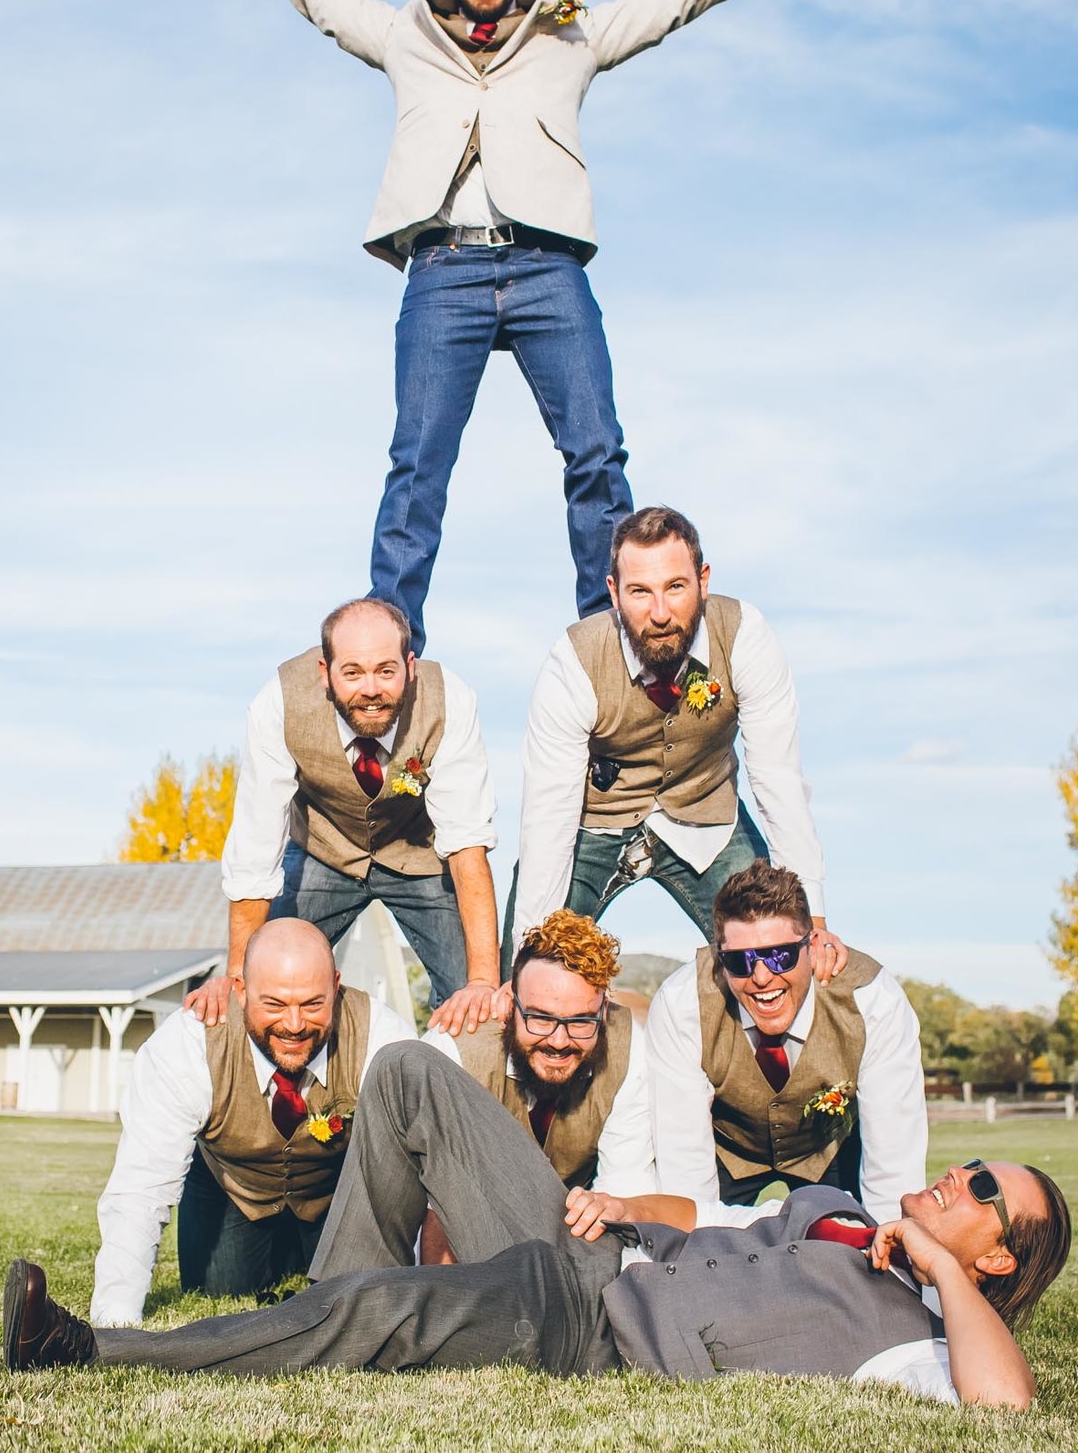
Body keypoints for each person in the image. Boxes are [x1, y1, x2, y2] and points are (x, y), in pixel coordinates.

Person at [222, 0, 817, 653]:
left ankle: (613, 642)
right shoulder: (406, 36)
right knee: (417, 464)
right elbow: (324, 2)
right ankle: (388, 646)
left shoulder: (568, 35)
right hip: (444, 271)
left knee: (596, 451)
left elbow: (668, 4)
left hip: (547, 270)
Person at [8, 1042, 1069, 1408]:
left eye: (983, 1192)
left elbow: (1006, 1402)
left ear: (1000, 1255)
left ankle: (84, 1348)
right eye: (970, 1167)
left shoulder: (919, 1335)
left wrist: (936, 1266)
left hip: (596, 1326)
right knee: (410, 1073)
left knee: (387, 1312)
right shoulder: (834, 1211)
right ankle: (316, 1309)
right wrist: (620, 1206)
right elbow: (705, 1213)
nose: (956, 1179)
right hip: (602, 1251)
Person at [513, 505, 838, 956]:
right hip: (596, 823)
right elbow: (547, 815)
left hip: (709, 814)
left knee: (781, 950)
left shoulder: (746, 636)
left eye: (676, 587)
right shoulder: (572, 661)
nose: (660, 613)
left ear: (703, 581)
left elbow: (778, 779)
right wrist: (530, 952)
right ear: (614, 592)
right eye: (640, 592)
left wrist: (812, 921)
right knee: (533, 964)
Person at [185, 597, 502, 1037]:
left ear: (409, 667)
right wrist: (238, 975)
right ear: (324, 673)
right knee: (267, 984)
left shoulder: (451, 701)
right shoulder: (278, 703)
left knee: (477, 998)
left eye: (385, 671)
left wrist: (484, 982)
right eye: (352, 672)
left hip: (421, 856)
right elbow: (255, 848)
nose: (370, 689)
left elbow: (468, 843)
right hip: (322, 851)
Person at [91, 919, 415, 1326]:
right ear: (240, 990)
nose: (294, 1025)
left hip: (333, 1193)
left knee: (350, 1294)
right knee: (220, 1289)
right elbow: (139, 1191)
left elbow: (415, 1170)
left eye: (313, 1004)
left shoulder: (382, 1037)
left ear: (336, 986)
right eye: (275, 1005)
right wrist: (115, 1322)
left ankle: (302, 1247)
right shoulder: (186, 1046)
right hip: (232, 1186)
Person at [644, 862, 927, 1222]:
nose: (761, 977)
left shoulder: (874, 1000)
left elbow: (894, 1165)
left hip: (828, 1148)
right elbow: (684, 1171)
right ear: (720, 956)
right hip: (726, 1150)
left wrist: (889, 1254)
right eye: (739, 961)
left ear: (812, 946)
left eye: (780, 956)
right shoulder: (682, 1003)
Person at [415, 910, 653, 1261]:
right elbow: (427, 1203)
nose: (558, 1041)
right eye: (540, 1018)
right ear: (510, 1005)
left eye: (580, 1021)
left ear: (603, 1011)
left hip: (571, 1232)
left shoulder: (629, 1045)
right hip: (462, 1231)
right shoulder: (453, 1050)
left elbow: (624, 1189)